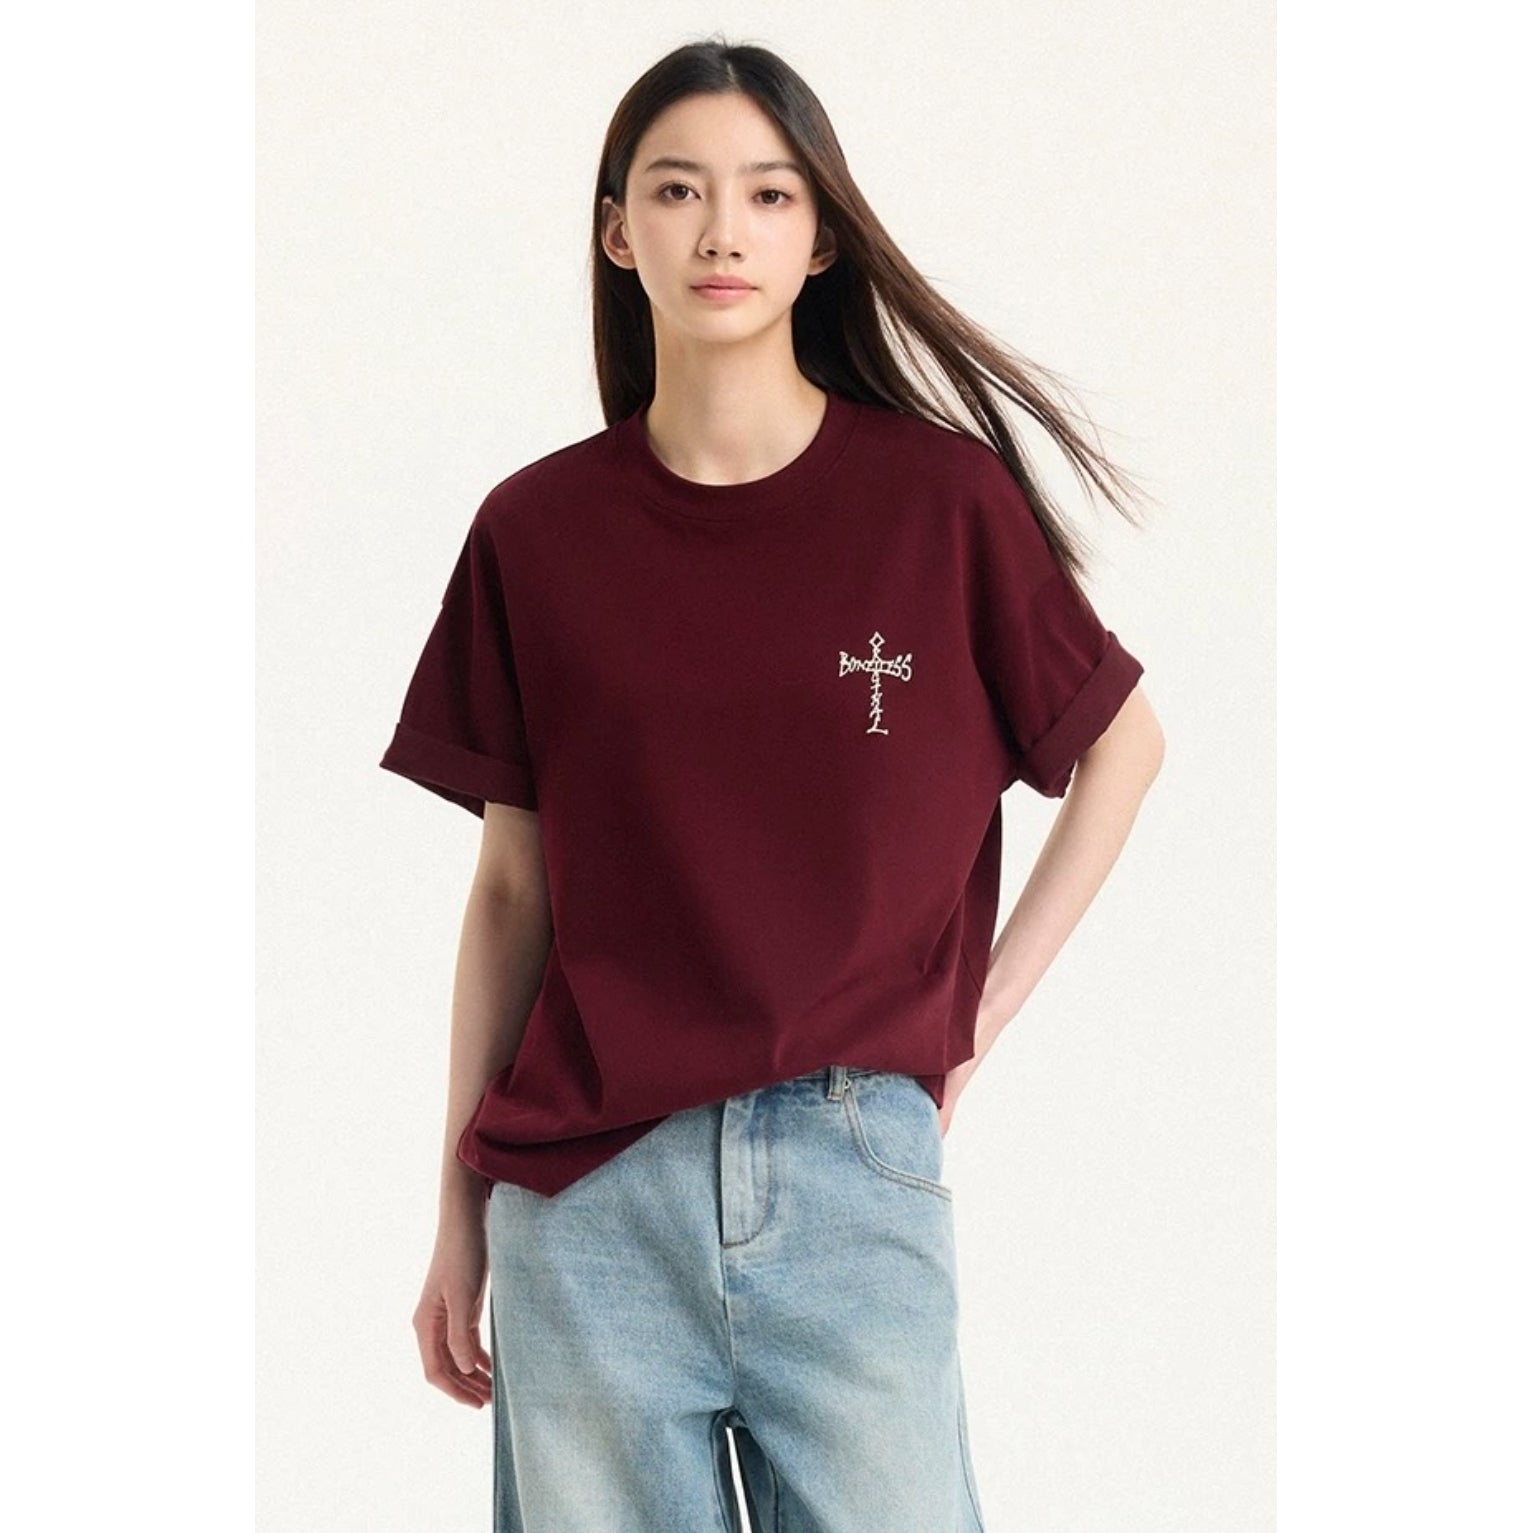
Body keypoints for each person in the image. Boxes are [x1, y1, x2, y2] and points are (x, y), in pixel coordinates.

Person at [378, 36, 1165, 1533]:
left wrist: (974, 1021)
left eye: (768, 194)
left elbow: (1122, 745)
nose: (721, 230)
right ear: (619, 232)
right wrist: (454, 1211)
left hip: (851, 1172)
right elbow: (510, 893)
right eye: (677, 191)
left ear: (820, 238)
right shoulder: (536, 533)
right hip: (585, 1203)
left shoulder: (937, 504)